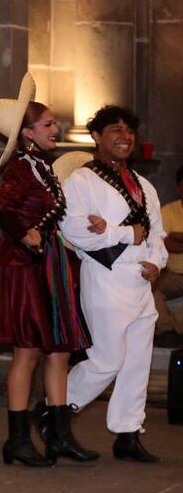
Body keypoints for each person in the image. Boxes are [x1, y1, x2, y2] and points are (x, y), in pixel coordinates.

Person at [0, 74, 95, 467]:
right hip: (26, 266)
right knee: (27, 352)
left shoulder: (41, 167)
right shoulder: (19, 168)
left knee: (59, 352)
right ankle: (16, 440)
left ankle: (60, 435)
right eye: (47, 124)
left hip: (50, 264)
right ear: (27, 132)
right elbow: (3, 208)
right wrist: (24, 233)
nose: (55, 128)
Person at [57, 105, 167, 463]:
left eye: (130, 131)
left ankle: (127, 432)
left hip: (140, 281)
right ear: (97, 137)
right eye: (115, 130)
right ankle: (54, 409)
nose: (125, 137)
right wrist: (125, 233)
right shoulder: (82, 181)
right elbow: (74, 231)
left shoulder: (143, 185)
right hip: (106, 277)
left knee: (137, 360)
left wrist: (156, 260)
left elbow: (156, 233)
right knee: (106, 359)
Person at [153, 165, 183, 347]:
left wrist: (177, 235)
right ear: (179, 187)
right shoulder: (168, 211)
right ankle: (167, 331)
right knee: (151, 290)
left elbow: (173, 242)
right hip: (173, 274)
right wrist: (173, 240)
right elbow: (165, 244)